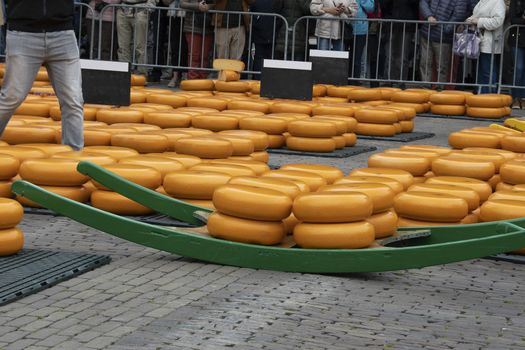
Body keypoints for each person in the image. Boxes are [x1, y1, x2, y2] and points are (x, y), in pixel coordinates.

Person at [0, 0, 83, 150]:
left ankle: (74, 156)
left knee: (73, 99)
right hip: (22, 33)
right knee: (11, 96)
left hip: (63, 34)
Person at [419, 0, 468, 85]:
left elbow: (459, 14)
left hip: (443, 37)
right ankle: (425, 86)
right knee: (425, 62)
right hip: (427, 33)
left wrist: (446, 29)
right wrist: (428, 16)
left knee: (441, 66)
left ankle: (439, 89)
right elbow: (423, 2)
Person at [466, 0, 506, 93]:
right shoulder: (482, 1)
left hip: (490, 42)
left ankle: (489, 97)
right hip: (480, 41)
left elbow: (497, 21)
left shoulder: (498, 2)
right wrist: (469, 20)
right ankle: (481, 96)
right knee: (480, 72)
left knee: (487, 71)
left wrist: (478, 21)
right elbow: (476, 15)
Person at [381, 0, 419, 86]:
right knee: (389, 55)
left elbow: (416, 4)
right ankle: (388, 80)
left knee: (403, 56)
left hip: (407, 25)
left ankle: (400, 81)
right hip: (391, 24)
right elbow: (383, 4)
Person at [116, 0, 158, 75]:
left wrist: (149, 7)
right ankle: (124, 74)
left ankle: (142, 74)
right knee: (123, 46)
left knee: (140, 46)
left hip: (140, 9)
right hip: (122, 9)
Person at [180, 0, 214, 79]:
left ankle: (203, 78)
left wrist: (208, 6)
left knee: (205, 56)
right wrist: (197, 6)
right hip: (192, 26)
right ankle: (193, 79)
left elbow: (217, 3)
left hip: (208, 26)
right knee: (194, 55)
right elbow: (182, 3)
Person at [251, 0, 284, 75]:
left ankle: (258, 80)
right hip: (269, 34)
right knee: (268, 61)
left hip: (263, 33)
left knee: (260, 60)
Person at [349, 0, 374, 84]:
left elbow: (370, 8)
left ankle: (355, 81)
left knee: (357, 58)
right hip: (346, 26)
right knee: (347, 57)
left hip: (360, 29)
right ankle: (346, 80)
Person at [509, 0, 525, 107]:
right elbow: (513, 20)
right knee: (518, 69)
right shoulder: (515, 1)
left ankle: (523, 97)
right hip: (517, 39)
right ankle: (515, 97)